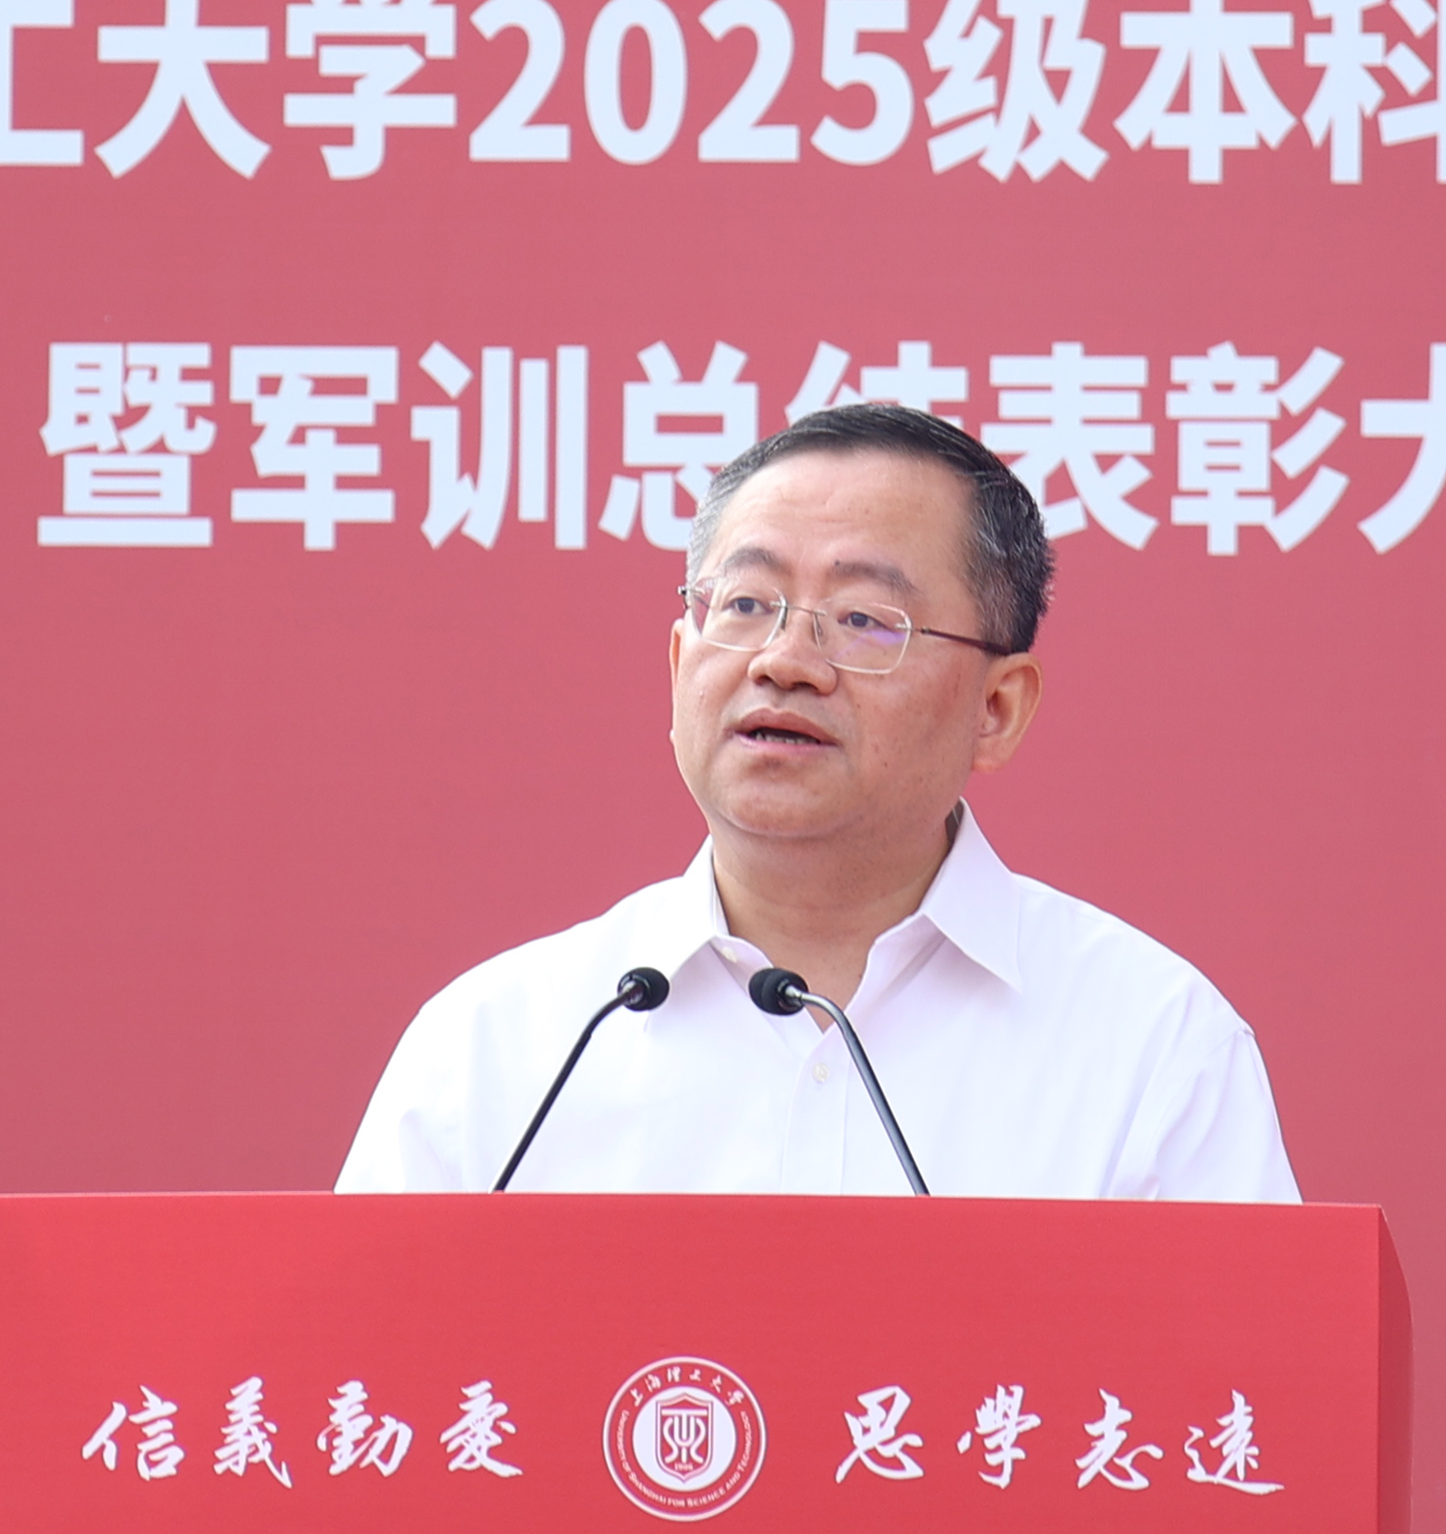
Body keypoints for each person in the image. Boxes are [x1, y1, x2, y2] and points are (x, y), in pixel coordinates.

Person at [334, 401, 1298, 1200]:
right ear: (678, 663)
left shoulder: (1151, 1046)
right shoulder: (500, 1050)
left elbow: (1242, 1381)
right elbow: (363, 1369)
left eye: (865, 619)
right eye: (745, 605)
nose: (784, 661)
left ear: (997, 709)